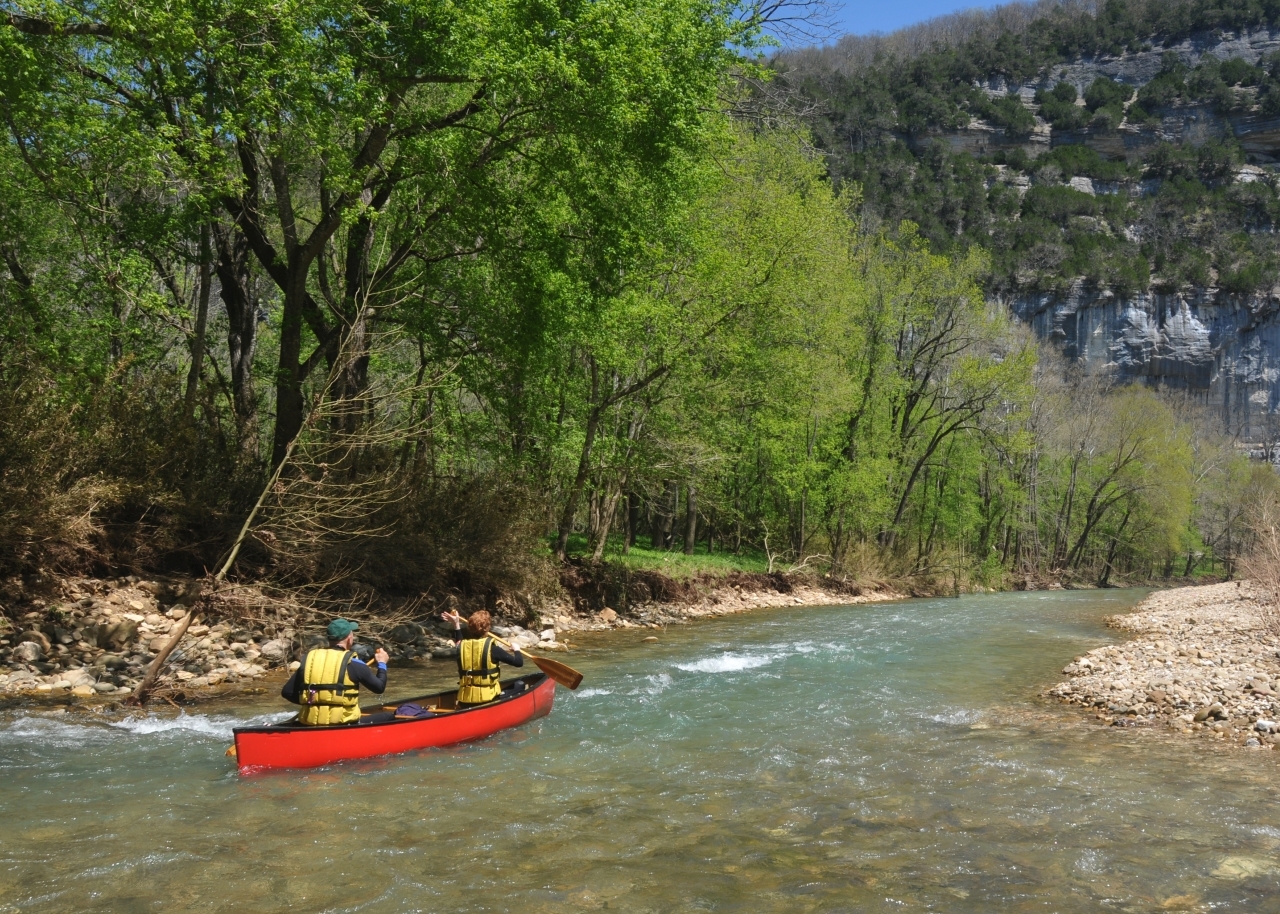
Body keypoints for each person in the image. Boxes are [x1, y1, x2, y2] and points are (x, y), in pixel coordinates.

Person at [281, 618, 389, 725]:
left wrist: (313, 702)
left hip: (309, 722)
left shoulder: (311, 661)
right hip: (342, 723)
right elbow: (379, 688)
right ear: (349, 639)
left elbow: (287, 692)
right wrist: (382, 663)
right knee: (388, 716)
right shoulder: (354, 663)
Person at [441, 609, 523, 708]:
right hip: (488, 700)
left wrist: (456, 624)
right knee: (520, 684)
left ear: (470, 628)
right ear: (488, 628)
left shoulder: (461, 647)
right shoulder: (493, 649)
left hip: (465, 701)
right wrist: (517, 650)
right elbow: (519, 663)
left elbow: (459, 640)